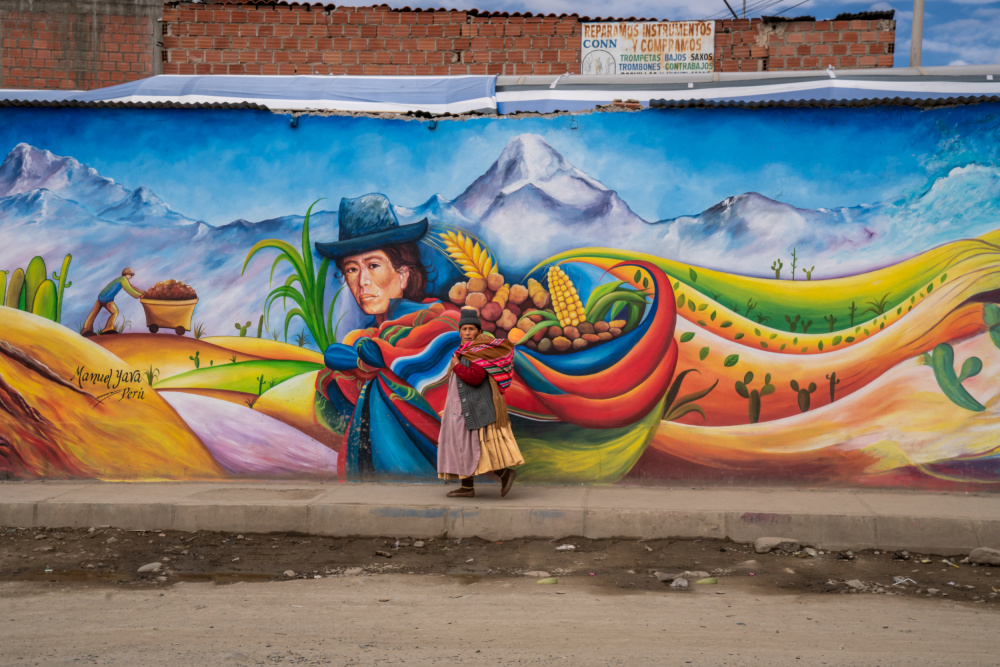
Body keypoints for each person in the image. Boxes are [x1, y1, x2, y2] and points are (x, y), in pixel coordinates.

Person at [315, 193, 462, 481]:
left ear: (403, 274)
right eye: (351, 269)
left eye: (373, 265)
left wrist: (377, 358)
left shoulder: (435, 322)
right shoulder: (362, 340)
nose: (362, 282)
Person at [437, 308, 523, 498]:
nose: (467, 333)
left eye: (471, 329)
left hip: (474, 407)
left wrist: (457, 366)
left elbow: (476, 378)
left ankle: (504, 473)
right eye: (464, 329)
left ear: (478, 331)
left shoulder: (479, 351)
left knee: (475, 446)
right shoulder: (463, 351)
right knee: (462, 444)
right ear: (459, 331)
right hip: (460, 406)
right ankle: (467, 487)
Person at [81, 267, 145, 337]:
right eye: (131, 274)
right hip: (106, 299)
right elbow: (129, 289)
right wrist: (139, 295)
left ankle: (86, 329)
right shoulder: (123, 279)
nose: (132, 276)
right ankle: (108, 329)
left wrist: (143, 292)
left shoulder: (122, 279)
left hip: (102, 296)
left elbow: (132, 287)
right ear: (127, 274)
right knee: (115, 312)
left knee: (94, 312)